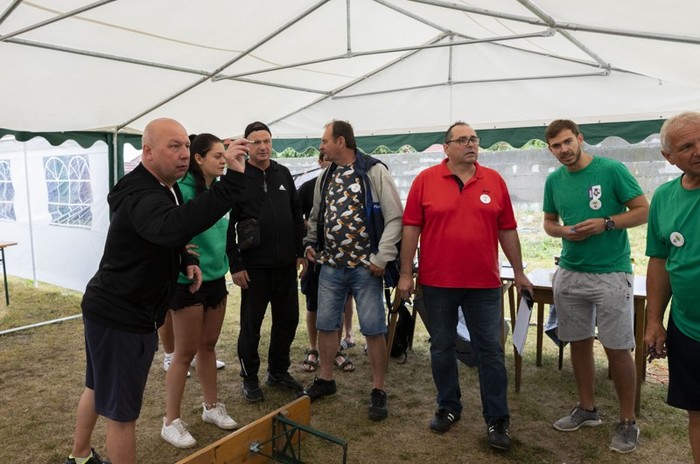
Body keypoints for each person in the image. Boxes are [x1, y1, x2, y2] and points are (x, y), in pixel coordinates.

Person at [64, 118, 249, 464]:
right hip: (122, 315)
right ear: (148, 152)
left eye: (186, 146)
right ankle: (81, 455)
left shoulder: (164, 187)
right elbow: (171, 225)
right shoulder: (144, 193)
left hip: (111, 309)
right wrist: (232, 182)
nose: (184, 154)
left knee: (98, 385)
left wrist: (184, 259)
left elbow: (162, 235)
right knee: (122, 415)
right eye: (174, 146)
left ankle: (80, 456)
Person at [398, 121, 532, 451]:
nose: (471, 144)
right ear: (446, 148)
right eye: (462, 140)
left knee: (490, 351)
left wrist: (519, 272)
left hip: (484, 284)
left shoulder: (494, 181)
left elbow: (507, 230)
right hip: (438, 283)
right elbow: (411, 229)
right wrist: (405, 274)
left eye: (474, 139)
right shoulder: (425, 181)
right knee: (442, 347)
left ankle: (497, 418)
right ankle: (448, 406)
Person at [542, 119, 649, 454]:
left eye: (567, 142)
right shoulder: (554, 180)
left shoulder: (611, 170)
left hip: (612, 273)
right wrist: (564, 231)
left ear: (580, 139)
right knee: (578, 342)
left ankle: (628, 421)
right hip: (570, 272)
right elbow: (549, 223)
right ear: (550, 149)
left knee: (617, 347)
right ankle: (587, 409)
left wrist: (607, 223)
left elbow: (643, 211)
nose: (563, 150)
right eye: (556, 146)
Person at [301, 120, 403, 422]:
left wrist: (382, 257)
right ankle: (326, 379)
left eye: (325, 140)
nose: (321, 146)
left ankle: (378, 389)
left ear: (341, 141)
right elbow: (316, 216)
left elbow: (395, 217)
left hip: (366, 269)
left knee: (373, 329)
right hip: (331, 267)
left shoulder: (374, 171)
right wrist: (310, 244)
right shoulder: (326, 175)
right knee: (326, 325)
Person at [160, 133, 239, 449]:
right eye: (217, 156)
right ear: (198, 158)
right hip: (187, 281)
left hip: (216, 278)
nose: (223, 161)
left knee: (208, 345)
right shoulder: (180, 190)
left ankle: (211, 407)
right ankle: (170, 421)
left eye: (224, 155)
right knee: (184, 353)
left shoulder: (220, 189)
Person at [227, 121, 306, 403]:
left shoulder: (282, 173)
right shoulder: (237, 177)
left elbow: (296, 214)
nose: (262, 147)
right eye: (256, 142)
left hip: (285, 266)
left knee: (288, 320)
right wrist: (235, 264)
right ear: (246, 146)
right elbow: (228, 226)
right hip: (254, 268)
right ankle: (249, 378)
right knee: (251, 326)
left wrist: (299, 251)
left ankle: (278, 371)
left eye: (267, 141)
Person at [645, 111, 700, 464]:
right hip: (689, 328)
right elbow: (660, 260)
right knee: (698, 412)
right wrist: (654, 320)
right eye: (687, 146)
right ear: (668, 157)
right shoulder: (665, 197)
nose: (699, 150)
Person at [298, 150, 356, 373]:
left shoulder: (350, 185)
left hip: (340, 259)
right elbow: (295, 218)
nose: (331, 164)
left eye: (335, 160)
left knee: (338, 306)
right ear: (320, 162)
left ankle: (336, 351)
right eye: (327, 160)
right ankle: (313, 349)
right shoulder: (308, 187)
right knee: (313, 304)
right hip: (315, 258)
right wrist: (309, 233)